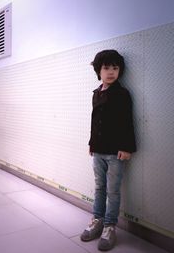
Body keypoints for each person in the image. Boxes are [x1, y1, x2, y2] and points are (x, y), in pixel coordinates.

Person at [80, 50, 136, 251]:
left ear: (120, 70)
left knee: (112, 190)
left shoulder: (122, 94)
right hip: (98, 151)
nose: (111, 72)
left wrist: (127, 147)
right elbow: (95, 122)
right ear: (98, 70)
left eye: (115, 68)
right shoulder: (96, 93)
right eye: (106, 68)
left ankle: (110, 226)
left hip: (115, 153)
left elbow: (127, 122)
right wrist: (91, 143)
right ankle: (97, 221)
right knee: (99, 187)